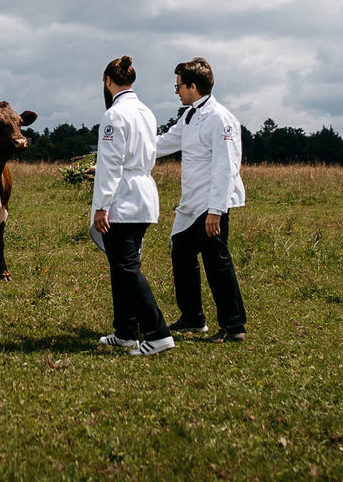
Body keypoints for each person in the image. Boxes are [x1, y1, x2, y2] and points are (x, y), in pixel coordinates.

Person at [156, 57, 248, 342]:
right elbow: (164, 143)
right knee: (181, 254)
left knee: (217, 262)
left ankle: (234, 327)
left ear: (193, 86)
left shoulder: (220, 118)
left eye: (179, 86)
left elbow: (226, 167)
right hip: (191, 203)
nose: (176, 91)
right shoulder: (189, 115)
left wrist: (216, 211)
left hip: (211, 204)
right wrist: (124, 153)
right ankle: (193, 318)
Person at [90, 56, 176, 357]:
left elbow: (112, 163)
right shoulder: (146, 112)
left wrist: (102, 205)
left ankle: (157, 332)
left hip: (123, 199)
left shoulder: (114, 116)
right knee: (121, 265)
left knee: (127, 268)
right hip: (143, 193)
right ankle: (125, 330)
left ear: (108, 82)